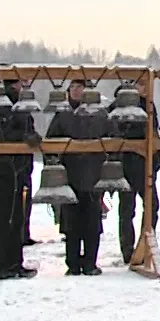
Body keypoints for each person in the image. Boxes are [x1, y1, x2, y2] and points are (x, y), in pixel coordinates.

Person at [46, 79, 113, 276]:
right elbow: (51, 141)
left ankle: (90, 263)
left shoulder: (100, 115)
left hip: (93, 176)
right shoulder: (63, 115)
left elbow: (113, 139)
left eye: (80, 87)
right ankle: (73, 264)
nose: (76, 91)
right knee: (71, 224)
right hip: (70, 176)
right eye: (73, 87)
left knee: (92, 223)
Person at [0, 78, 41, 280]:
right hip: (1, 169)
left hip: (20, 168)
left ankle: (15, 263)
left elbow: (27, 129)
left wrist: (31, 136)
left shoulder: (21, 105)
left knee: (17, 218)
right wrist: (22, 136)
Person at [108, 80, 160, 264]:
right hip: (127, 164)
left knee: (152, 206)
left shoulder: (149, 106)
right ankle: (128, 251)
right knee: (127, 210)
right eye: (142, 84)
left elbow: (152, 133)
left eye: (147, 85)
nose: (145, 88)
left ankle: (147, 245)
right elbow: (113, 133)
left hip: (146, 166)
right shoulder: (118, 107)